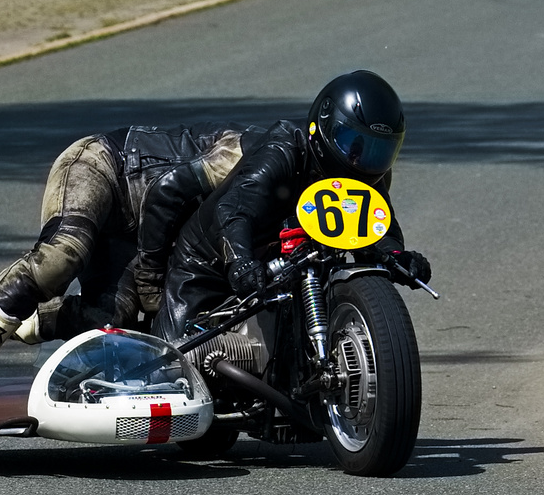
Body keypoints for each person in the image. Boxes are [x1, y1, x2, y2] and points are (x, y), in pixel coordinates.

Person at [0, 124, 262, 404]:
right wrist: (150, 280)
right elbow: (166, 194)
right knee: (62, 255)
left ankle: (25, 320)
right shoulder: (245, 155)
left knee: (110, 322)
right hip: (108, 166)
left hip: (145, 237)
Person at [152, 72, 431, 344]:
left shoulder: (367, 174)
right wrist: (240, 261)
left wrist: (398, 258)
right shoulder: (284, 146)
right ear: (325, 125)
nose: (361, 159)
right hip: (208, 264)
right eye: (352, 143)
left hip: (293, 267)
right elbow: (233, 209)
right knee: (174, 360)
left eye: (377, 151)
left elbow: (380, 228)